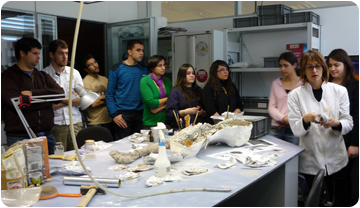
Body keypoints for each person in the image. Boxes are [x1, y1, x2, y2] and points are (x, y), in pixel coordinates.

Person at [287, 50, 353, 206]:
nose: (314, 71)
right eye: (309, 67)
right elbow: (296, 130)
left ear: (323, 68)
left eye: (317, 66)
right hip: (311, 159)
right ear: (303, 70)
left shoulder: (339, 91)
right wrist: (305, 119)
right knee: (315, 201)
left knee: (339, 200)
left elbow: (348, 122)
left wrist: (335, 123)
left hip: (337, 159)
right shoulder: (295, 95)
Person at [1, 37, 64, 154]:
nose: (39, 57)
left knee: (52, 169)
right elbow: (15, 102)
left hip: (47, 136)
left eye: (39, 54)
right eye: (35, 53)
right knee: (22, 171)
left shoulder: (42, 76)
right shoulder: (7, 77)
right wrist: (47, 100)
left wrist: (32, 94)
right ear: (22, 53)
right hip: (19, 138)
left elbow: (60, 94)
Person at [326, 48, 359, 206]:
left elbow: (358, 117)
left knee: (342, 179)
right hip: (326, 139)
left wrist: (355, 144)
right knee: (327, 178)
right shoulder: (325, 85)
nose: (333, 69)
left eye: (336, 65)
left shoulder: (355, 86)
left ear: (345, 65)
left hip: (346, 140)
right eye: (330, 65)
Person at [43, 39, 84, 151]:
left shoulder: (74, 73)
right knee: (58, 160)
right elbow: (47, 106)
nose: (65, 57)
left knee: (78, 158)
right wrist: (71, 99)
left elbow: (82, 100)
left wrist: (58, 100)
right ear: (52, 54)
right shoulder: (43, 75)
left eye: (66, 53)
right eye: (61, 53)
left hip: (75, 124)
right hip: (57, 126)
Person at [106, 40, 148, 139]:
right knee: (123, 147)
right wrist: (114, 115)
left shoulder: (144, 69)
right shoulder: (117, 68)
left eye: (142, 50)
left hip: (141, 114)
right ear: (129, 52)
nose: (141, 53)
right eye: (138, 50)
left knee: (140, 146)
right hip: (123, 115)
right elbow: (109, 94)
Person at [268, 52, 302, 145]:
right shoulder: (276, 83)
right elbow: (271, 107)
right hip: (276, 128)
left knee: (293, 158)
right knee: (272, 156)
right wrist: (283, 119)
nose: (282, 69)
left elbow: (306, 108)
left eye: (286, 65)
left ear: (294, 65)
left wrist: (290, 121)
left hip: (295, 130)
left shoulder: (304, 84)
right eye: (280, 66)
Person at [81, 54, 114, 139]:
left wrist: (101, 98)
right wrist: (107, 99)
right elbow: (93, 104)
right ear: (86, 69)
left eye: (95, 62)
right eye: (91, 64)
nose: (95, 65)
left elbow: (113, 97)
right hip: (94, 122)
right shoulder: (85, 82)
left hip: (109, 120)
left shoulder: (105, 79)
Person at [202, 60, 243, 124]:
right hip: (215, 124)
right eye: (222, 70)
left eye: (227, 69)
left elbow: (240, 105)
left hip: (232, 123)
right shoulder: (208, 88)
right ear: (215, 72)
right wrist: (223, 123)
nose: (226, 72)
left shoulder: (232, 86)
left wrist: (232, 118)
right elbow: (211, 110)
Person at [166, 64, 206, 129]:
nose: (192, 75)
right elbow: (170, 114)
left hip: (198, 127)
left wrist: (202, 113)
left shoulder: (199, 90)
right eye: (188, 73)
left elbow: (205, 110)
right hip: (181, 129)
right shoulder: (175, 91)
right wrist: (185, 112)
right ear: (182, 75)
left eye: (193, 73)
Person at [140, 55, 172, 128]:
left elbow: (173, 101)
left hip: (166, 121)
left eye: (164, 65)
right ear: (152, 67)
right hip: (151, 122)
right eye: (160, 66)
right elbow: (151, 103)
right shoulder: (145, 81)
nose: (163, 68)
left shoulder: (167, 81)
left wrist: (159, 108)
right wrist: (168, 98)